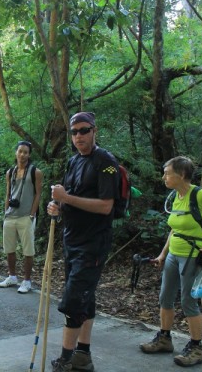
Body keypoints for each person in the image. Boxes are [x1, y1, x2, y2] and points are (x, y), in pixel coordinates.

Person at [139, 156, 202, 367]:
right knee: (165, 298)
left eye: (167, 173)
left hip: (193, 255)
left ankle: (197, 348)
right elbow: (175, 229)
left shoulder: (201, 195)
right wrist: (163, 255)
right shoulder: (176, 196)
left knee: (189, 301)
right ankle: (164, 339)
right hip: (174, 255)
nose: (164, 177)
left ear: (181, 175)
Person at [47, 112, 119, 372]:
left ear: (94, 130)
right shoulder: (73, 161)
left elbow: (105, 206)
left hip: (94, 242)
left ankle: (65, 360)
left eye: (84, 130)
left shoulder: (106, 162)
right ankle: (82, 355)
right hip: (72, 239)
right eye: (74, 132)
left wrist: (67, 198)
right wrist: (56, 205)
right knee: (85, 298)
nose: (79, 136)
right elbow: (67, 197)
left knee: (73, 300)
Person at [0, 141, 43, 294]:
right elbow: (7, 192)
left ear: (29, 155)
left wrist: (32, 214)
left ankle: (27, 280)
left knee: (28, 250)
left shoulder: (35, 172)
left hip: (25, 216)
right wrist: (5, 212)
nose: (22, 154)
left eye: (25, 152)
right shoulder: (10, 172)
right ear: (16, 152)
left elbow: (38, 194)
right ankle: (12, 276)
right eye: (20, 151)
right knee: (9, 248)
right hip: (10, 215)